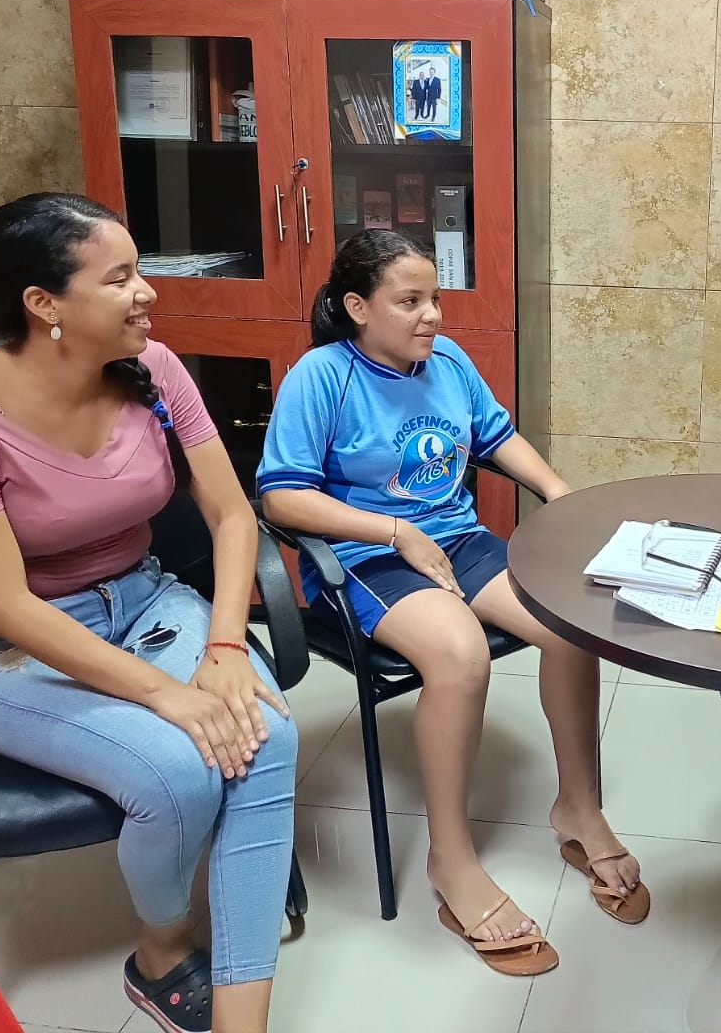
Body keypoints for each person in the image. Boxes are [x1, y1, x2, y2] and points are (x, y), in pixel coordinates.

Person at [0, 194, 297, 1033]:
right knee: (177, 772)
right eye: (119, 278)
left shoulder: (154, 368)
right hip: (8, 646)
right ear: (43, 304)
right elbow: (1, 601)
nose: (146, 292)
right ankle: (162, 952)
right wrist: (166, 694)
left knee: (266, 734)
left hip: (145, 600)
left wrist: (226, 647)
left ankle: (244, 1022)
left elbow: (233, 516)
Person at [258, 229, 649, 976]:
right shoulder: (322, 376)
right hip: (365, 558)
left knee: (571, 626)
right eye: (409, 301)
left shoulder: (448, 362)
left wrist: (559, 492)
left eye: (434, 297)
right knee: (462, 654)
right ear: (357, 307)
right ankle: (452, 858)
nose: (432, 315)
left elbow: (497, 437)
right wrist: (395, 530)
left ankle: (578, 807)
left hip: (456, 539)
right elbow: (282, 496)